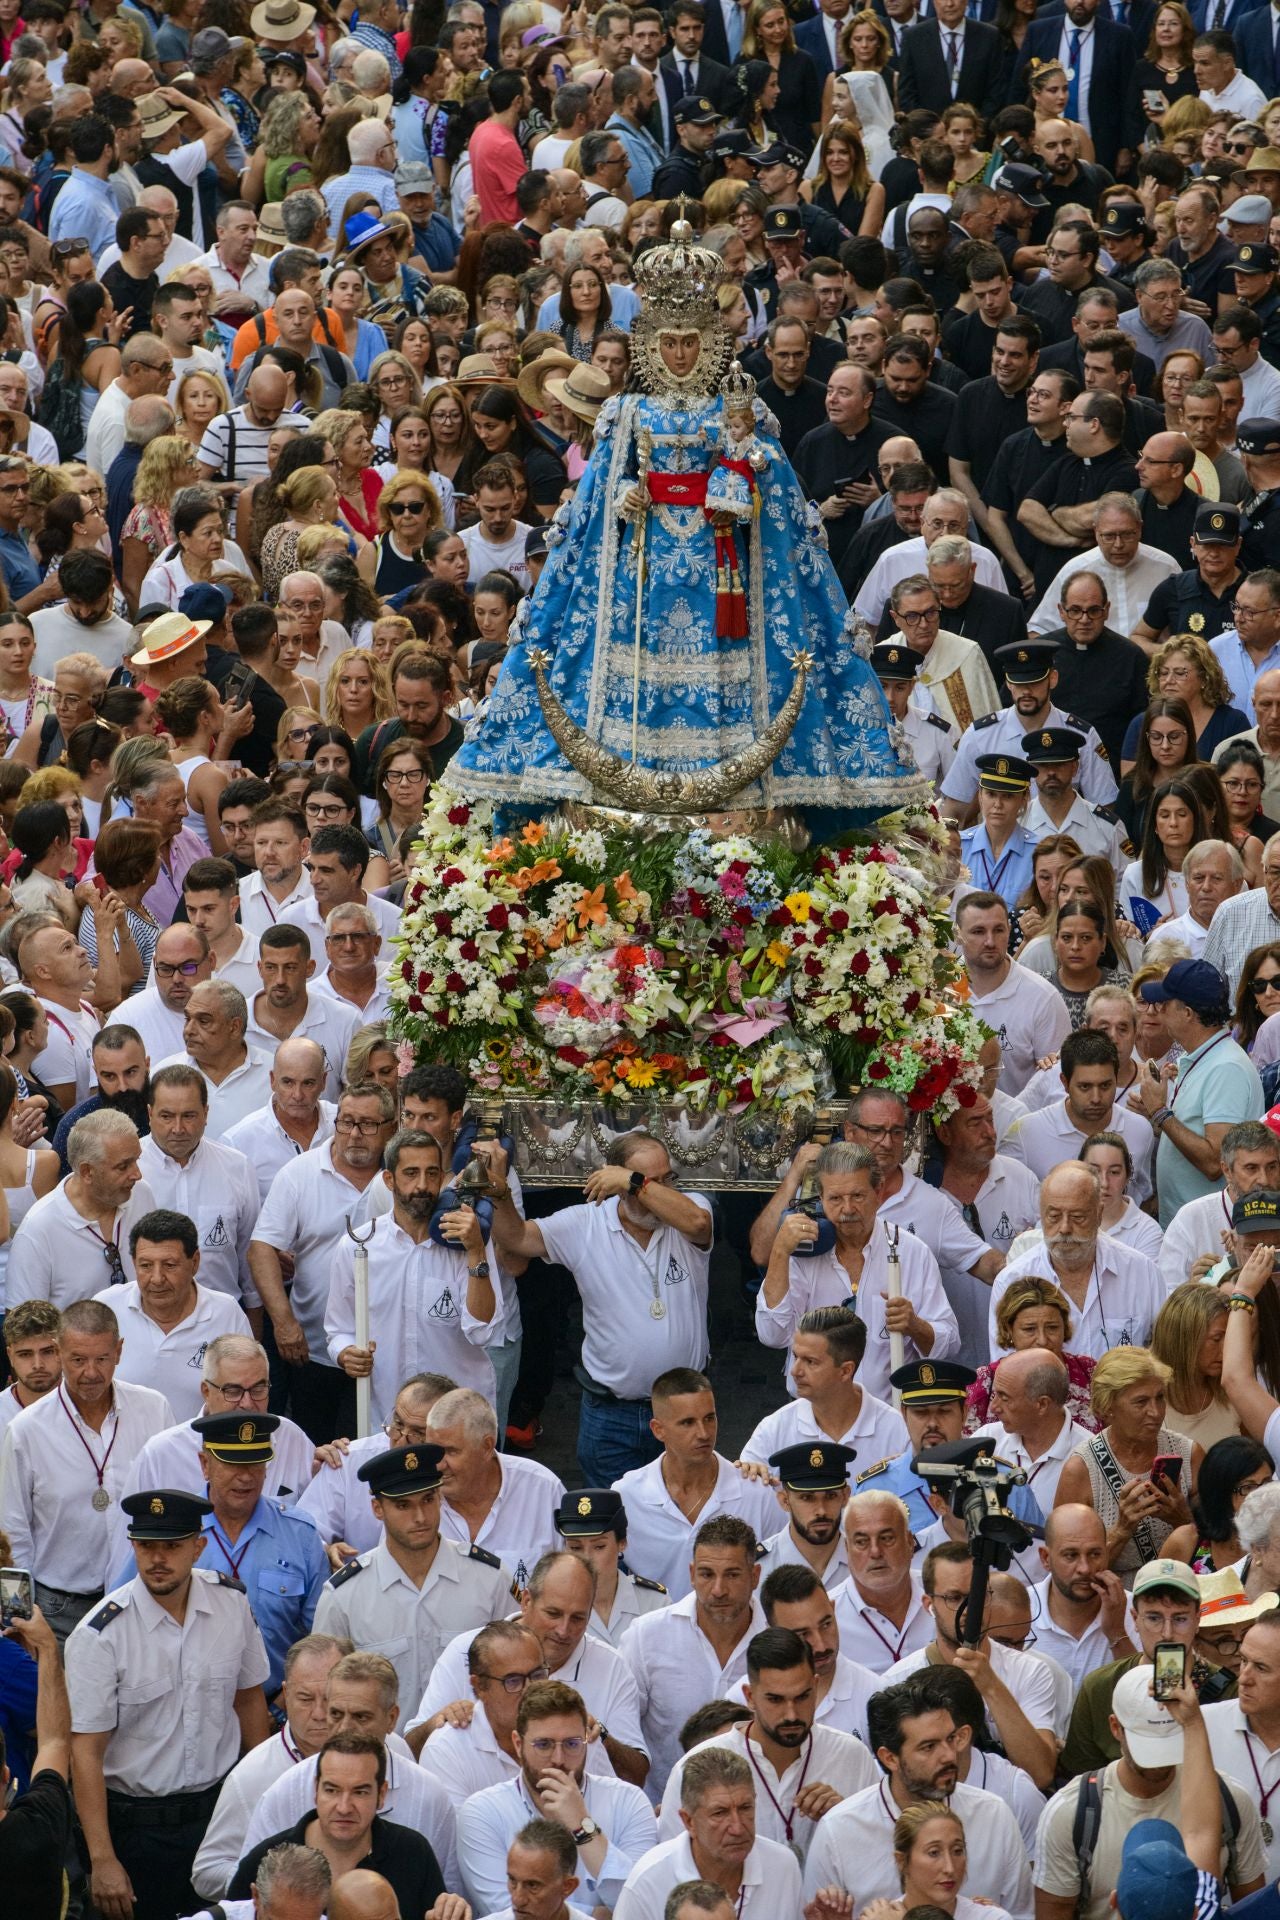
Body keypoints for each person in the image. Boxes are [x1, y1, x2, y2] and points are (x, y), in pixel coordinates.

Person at [450, 218, 924, 834]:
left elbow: (776, 498)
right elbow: (592, 506)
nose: (679, 355)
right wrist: (624, 498)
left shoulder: (741, 409)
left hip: (724, 573)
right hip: (641, 572)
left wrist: (741, 478)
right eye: (668, 342)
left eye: (690, 342)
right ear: (652, 343)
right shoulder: (623, 412)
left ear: (709, 342)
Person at [65, 1484, 271, 1920]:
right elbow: (85, 1750)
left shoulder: (231, 1605)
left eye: (172, 1546)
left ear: (198, 1547)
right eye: (145, 1546)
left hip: (218, 1815)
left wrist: (259, 1806)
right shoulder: (100, 1635)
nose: (157, 1559)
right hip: (136, 1831)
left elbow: (250, 1702)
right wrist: (103, 1859)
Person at [1035, 1664, 1266, 1920]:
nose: (1159, 1763)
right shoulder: (1072, 1812)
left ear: (1116, 1901)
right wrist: (1192, 1723)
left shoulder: (1230, 1800)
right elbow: (1200, 1834)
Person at [800, 1675, 1034, 1914]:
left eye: (951, 1739)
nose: (949, 1756)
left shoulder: (994, 1815)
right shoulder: (839, 1830)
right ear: (889, 1758)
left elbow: (1022, 1914)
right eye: (929, 1747)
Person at [312, 1440, 513, 1716]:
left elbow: (518, 1670)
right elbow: (324, 1693)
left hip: (471, 1751)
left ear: (440, 1497)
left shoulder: (491, 1578)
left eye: (428, 1500)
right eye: (403, 1505)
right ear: (377, 1509)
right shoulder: (343, 1595)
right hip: (382, 1754)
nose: (420, 1517)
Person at [457, 1675, 658, 1914]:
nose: (559, 1759)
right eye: (544, 1745)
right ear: (518, 1745)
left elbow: (639, 1907)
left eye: (572, 1744)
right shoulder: (482, 1812)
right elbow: (511, 1911)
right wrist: (598, 1915)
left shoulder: (629, 1801)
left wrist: (581, 1825)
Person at [1134, 957, 1265, 1225]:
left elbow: (1215, 1162)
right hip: (1189, 1226)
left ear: (1188, 1013)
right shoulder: (1202, 1056)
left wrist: (1160, 1112)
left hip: (1211, 1235)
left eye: (1164, 1003)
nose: (1157, 1011)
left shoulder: (1226, 1068)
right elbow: (1193, 1132)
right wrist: (1157, 1118)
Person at [613, 1746, 802, 1920]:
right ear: (688, 1821)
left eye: (745, 1808)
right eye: (720, 1813)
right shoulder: (648, 1881)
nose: (737, 1828)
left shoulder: (783, 1866)